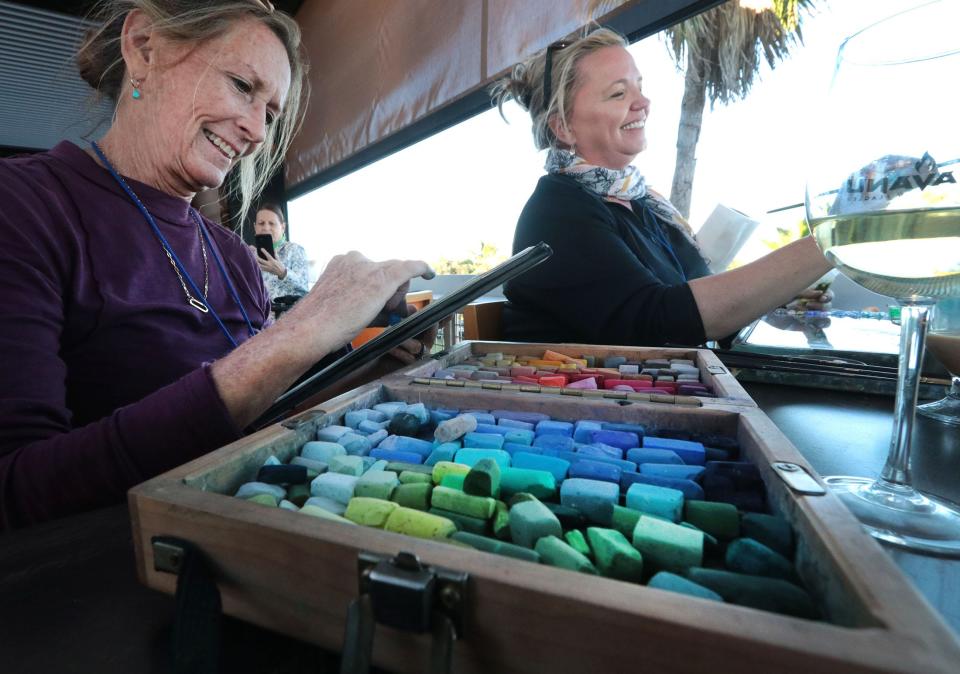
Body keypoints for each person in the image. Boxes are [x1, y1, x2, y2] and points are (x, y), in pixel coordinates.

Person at [0, 0, 432, 530]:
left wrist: (373, 362)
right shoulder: (24, 206)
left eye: (271, 114)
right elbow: (17, 484)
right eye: (242, 86)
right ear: (143, 48)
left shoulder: (233, 257)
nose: (255, 130)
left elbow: (262, 415)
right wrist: (305, 327)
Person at [491, 28, 833, 347]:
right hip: (591, 407)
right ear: (563, 127)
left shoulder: (644, 205)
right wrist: (833, 240)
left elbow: (697, 299)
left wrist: (775, 303)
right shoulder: (557, 213)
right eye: (619, 93)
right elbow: (661, 322)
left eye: (639, 86)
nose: (643, 102)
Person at [250, 202, 311, 301]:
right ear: (255, 227)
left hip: (287, 314)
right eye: (261, 223)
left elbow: (304, 290)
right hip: (257, 315)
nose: (266, 228)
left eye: (272, 223)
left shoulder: (295, 250)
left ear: (283, 227)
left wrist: (283, 272)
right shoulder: (250, 255)